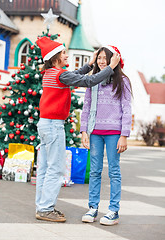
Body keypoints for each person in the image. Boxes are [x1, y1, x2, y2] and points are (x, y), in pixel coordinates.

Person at [35, 37, 120, 223]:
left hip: (44, 123)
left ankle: (41, 206)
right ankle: (45, 208)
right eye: (64, 53)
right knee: (55, 169)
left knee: (43, 167)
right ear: (56, 57)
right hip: (53, 125)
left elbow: (74, 75)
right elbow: (88, 81)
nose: (67, 55)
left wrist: (89, 64)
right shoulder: (60, 74)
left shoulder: (50, 73)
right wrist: (110, 67)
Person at [80, 46, 132, 226]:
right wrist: (84, 131)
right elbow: (86, 107)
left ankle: (113, 211)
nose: (102, 61)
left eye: (105, 58)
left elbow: (127, 109)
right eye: (99, 58)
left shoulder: (123, 81)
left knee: (114, 171)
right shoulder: (92, 81)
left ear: (114, 60)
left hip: (114, 133)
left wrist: (124, 135)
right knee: (94, 171)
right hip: (95, 132)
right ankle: (93, 208)